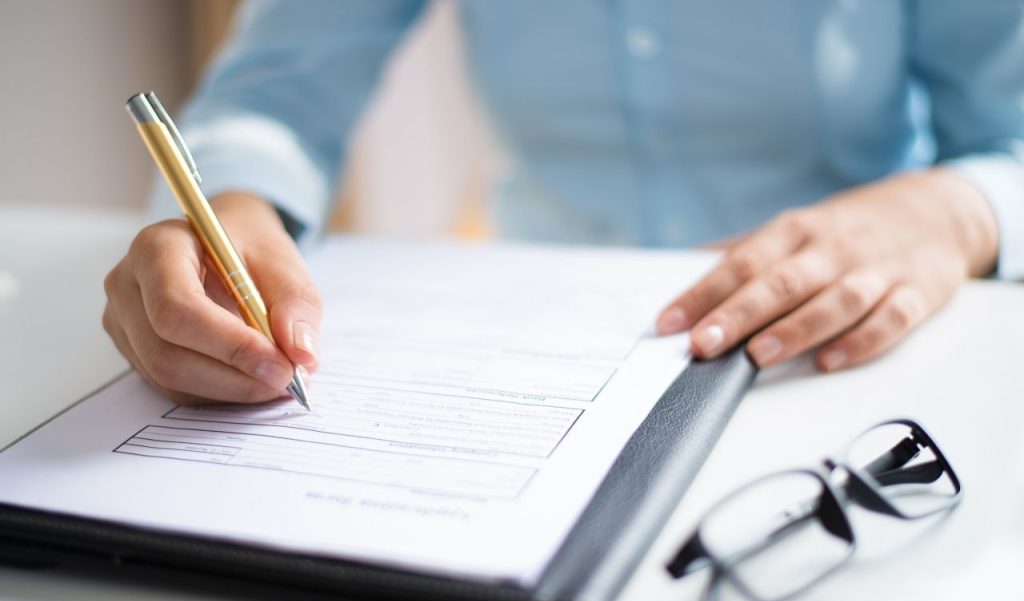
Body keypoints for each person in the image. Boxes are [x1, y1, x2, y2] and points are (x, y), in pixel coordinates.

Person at [102, 1, 1024, 406]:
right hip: (543, 350)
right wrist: (228, 209)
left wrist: (954, 213)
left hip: (850, 353)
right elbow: (273, 96)